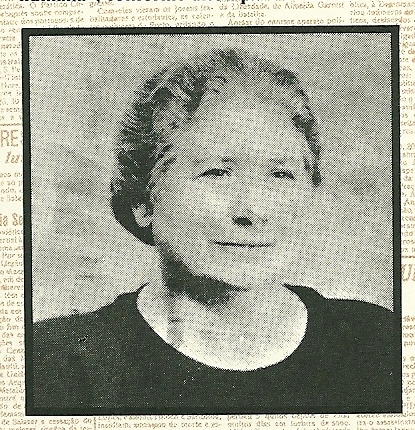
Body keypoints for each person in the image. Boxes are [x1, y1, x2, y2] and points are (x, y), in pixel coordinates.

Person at [32, 49, 397, 413]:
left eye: (280, 175)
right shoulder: (56, 363)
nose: (251, 211)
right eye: (216, 173)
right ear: (143, 199)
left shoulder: (376, 345)